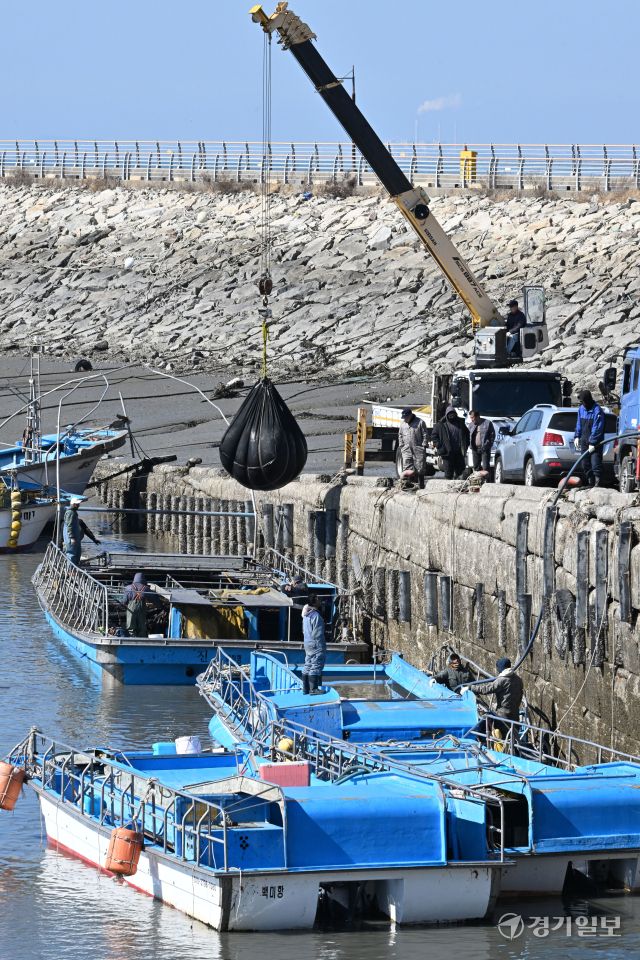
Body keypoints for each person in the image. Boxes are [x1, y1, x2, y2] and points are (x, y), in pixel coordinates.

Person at [463, 657, 524, 743]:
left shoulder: (501, 680)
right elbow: (520, 694)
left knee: (502, 736)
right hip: (515, 712)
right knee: (513, 735)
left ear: (500, 668)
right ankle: (516, 749)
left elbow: (487, 689)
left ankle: (500, 749)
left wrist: (471, 687)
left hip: (503, 714)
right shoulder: (518, 679)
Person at [573, 389, 605, 487]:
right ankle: (590, 483)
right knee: (585, 464)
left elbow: (597, 428)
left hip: (595, 443)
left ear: (587, 400)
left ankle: (597, 485)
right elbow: (579, 423)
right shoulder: (581, 409)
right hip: (584, 440)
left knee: (595, 464)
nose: (582, 403)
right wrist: (577, 436)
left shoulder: (597, 410)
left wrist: (593, 442)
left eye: (583, 401)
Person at [431, 405, 470, 479]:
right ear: (446, 415)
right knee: (448, 473)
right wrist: (440, 446)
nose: (452, 415)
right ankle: (449, 488)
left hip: (459, 452)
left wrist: (466, 445)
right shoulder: (440, 425)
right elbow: (434, 437)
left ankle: (458, 487)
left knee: (460, 471)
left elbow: (467, 435)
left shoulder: (461, 423)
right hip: (447, 453)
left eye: (453, 413)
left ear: (456, 414)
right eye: (450, 414)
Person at [121, 572, 162, 638]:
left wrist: (123, 605)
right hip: (141, 609)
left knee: (130, 626)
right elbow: (155, 599)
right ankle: (141, 639)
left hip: (131, 609)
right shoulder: (146, 588)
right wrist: (160, 606)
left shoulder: (128, 588)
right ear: (143, 579)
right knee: (142, 626)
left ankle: (131, 639)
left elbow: (124, 601)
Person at [62, 498, 100, 566]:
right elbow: (69, 526)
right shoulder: (70, 513)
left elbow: (86, 530)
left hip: (77, 539)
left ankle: (75, 567)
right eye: (77, 504)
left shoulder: (76, 516)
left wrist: (94, 539)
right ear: (73, 504)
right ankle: (71, 570)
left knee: (77, 554)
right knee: (71, 554)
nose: (78, 505)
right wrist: (72, 537)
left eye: (78, 504)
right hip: (72, 540)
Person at [398, 406, 429, 489]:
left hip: (418, 448)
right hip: (406, 449)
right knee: (407, 467)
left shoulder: (420, 422)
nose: (405, 419)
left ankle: (421, 486)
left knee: (420, 468)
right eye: (404, 418)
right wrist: (402, 446)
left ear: (410, 415)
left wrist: (424, 445)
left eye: (406, 417)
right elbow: (400, 435)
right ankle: (407, 486)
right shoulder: (403, 424)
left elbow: (425, 434)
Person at [301, 595, 326, 695]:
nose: (320, 601)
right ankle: (313, 689)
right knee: (316, 663)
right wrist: (321, 645)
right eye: (318, 599)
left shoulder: (306, 615)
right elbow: (318, 633)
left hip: (307, 642)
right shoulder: (316, 615)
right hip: (315, 642)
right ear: (314, 602)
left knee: (308, 664)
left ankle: (305, 689)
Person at [468, 410, 496, 474]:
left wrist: (487, 444)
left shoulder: (487, 423)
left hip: (485, 448)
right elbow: (468, 436)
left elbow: (492, 436)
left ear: (477, 416)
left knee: (485, 467)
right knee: (476, 466)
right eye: (470, 418)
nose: (471, 420)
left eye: (472, 417)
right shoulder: (471, 425)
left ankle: (486, 481)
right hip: (475, 449)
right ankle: (477, 481)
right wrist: (470, 445)